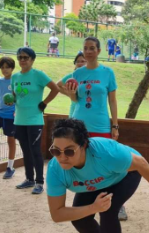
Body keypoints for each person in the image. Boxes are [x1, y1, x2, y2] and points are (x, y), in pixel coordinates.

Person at [46, 118, 149, 233]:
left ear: (83, 145)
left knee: (108, 211)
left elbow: (140, 163)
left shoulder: (107, 153)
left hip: (123, 176)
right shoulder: (56, 169)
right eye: (56, 151)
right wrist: (92, 207)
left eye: (69, 152)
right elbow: (57, 213)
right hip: (94, 182)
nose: (62, 157)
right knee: (79, 218)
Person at [60, 37, 128, 221]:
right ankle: (86, 200)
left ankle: (118, 203)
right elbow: (67, 92)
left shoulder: (107, 72)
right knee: (82, 161)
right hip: (79, 125)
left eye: (92, 48)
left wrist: (115, 125)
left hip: (101, 124)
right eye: (85, 48)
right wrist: (71, 93)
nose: (88, 51)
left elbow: (112, 101)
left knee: (107, 163)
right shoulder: (78, 73)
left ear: (98, 51)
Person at [11, 47, 60, 194]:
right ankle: (29, 179)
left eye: (26, 57)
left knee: (35, 151)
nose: (22, 60)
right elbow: (15, 96)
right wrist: (10, 100)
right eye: (20, 57)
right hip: (19, 120)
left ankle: (39, 182)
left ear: (32, 59)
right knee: (25, 151)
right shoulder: (15, 77)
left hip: (34, 120)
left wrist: (44, 103)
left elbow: (55, 89)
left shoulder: (38, 75)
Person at [57, 52, 87, 117]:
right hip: (74, 112)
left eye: (82, 61)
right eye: (77, 61)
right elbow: (57, 85)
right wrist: (69, 94)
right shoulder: (72, 76)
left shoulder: (92, 78)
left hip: (88, 113)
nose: (80, 63)